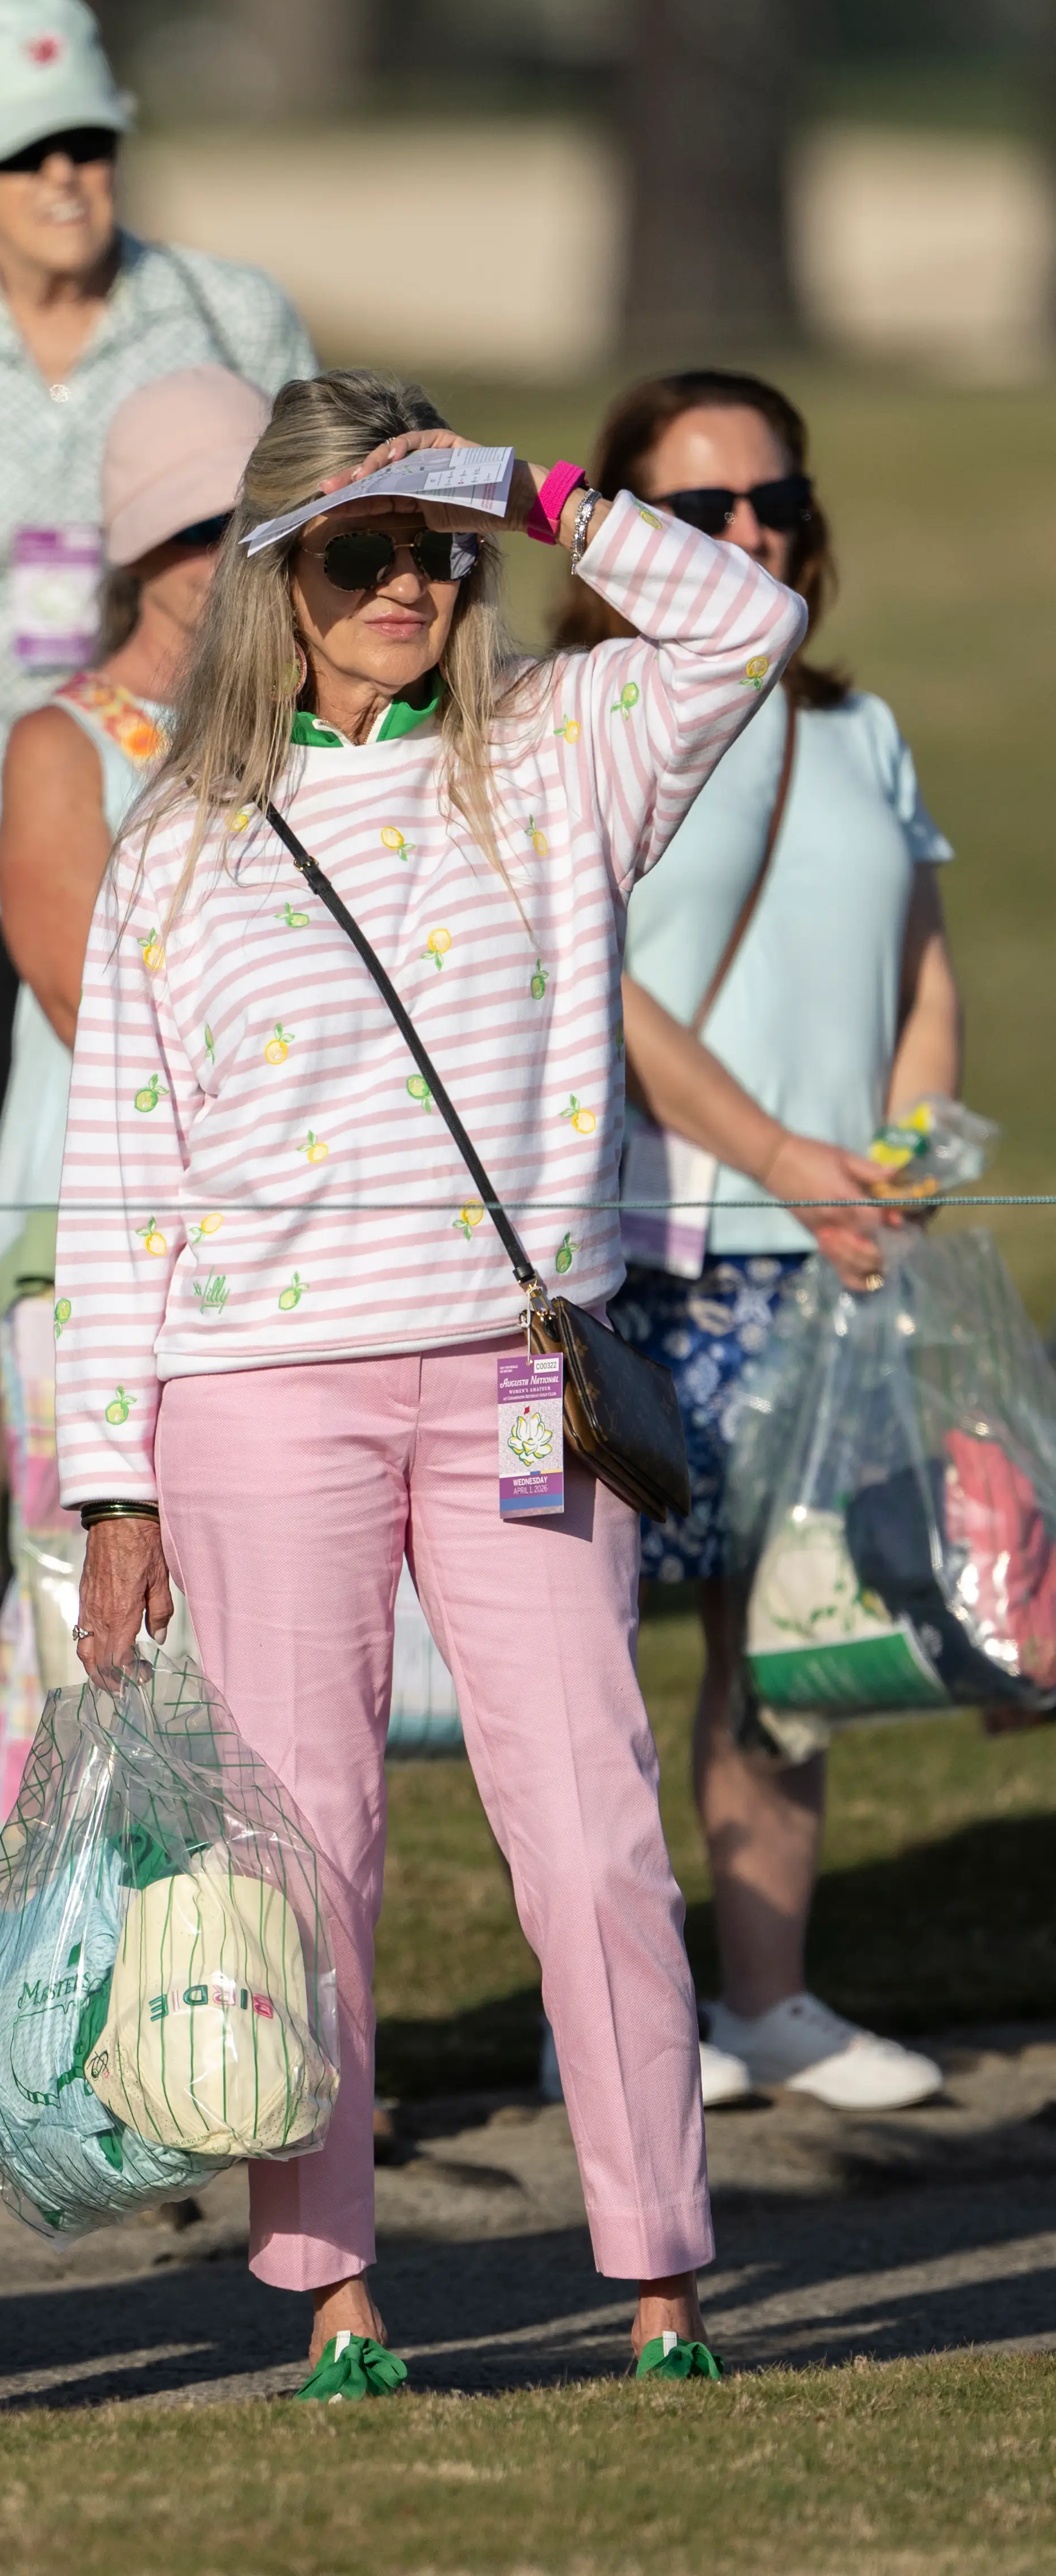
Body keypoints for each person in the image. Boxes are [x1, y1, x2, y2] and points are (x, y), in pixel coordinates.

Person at [59, 368, 812, 2395]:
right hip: (252, 1399)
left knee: (590, 1826)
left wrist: (546, 483)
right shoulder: (177, 846)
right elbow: (119, 1179)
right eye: (360, 553)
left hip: (507, 1376)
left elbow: (747, 626)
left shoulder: (567, 752)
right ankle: (332, 2290)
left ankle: (660, 2272)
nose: (407, 585)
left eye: (437, 550)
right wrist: (104, 1489)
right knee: (305, 1854)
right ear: (274, 578)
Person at [0, 0, 314, 1719]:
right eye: (26, 156)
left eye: (88, 141)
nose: (66, 179)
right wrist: (7, 749)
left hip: (221, 804)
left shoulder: (228, 311)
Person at [556, 369, 961, 2115]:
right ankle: (619, 2018)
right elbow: (599, 986)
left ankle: (768, 1999)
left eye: (773, 504)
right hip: (640, 1248)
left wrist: (893, 1155)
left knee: (779, 1649)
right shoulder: (578, 715)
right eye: (700, 513)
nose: (749, 535)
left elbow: (921, 957)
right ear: (622, 539)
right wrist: (782, 1152)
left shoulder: (853, 728)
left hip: (832, 1253)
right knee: (572, 1658)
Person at [0, 365, 270, 1852]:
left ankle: (218, 2006)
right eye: (207, 524)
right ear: (139, 552)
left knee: (243, 1661)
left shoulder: (307, 738)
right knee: (82, 1645)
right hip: (83, 1255)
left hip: (273, 1255)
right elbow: (84, 998)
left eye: (268, 520)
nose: (240, 554)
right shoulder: (66, 742)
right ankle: (59, 2005)